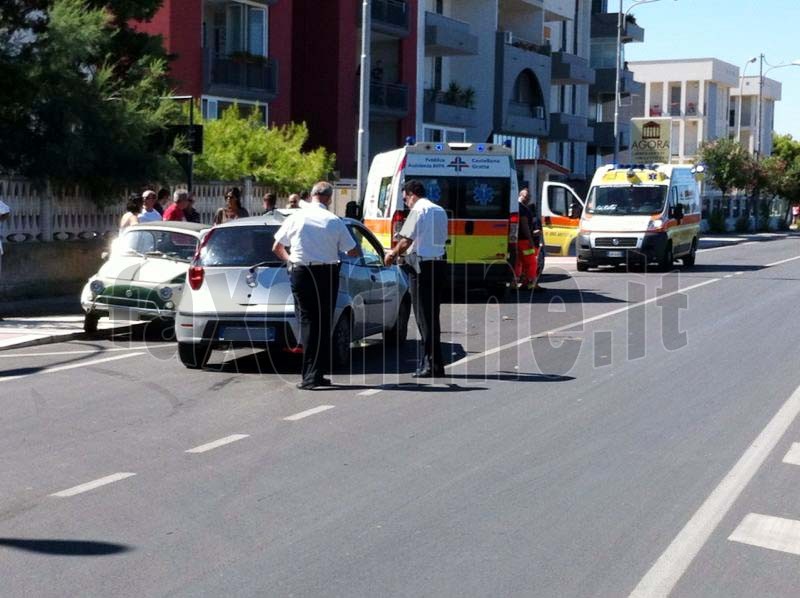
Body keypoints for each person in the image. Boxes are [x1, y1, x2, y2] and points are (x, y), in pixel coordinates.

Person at [272, 181, 359, 390]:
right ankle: (313, 374)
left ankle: (314, 373)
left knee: (308, 321)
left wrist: (291, 260)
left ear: (312, 196)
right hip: (326, 273)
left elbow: (277, 247)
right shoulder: (333, 220)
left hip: (301, 271)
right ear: (328, 199)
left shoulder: (297, 217)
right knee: (322, 322)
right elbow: (353, 250)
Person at [384, 180, 448, 378]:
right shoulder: (439, 210)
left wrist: (392, 254)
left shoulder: (418, 211)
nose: (406, 203)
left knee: (423, 318)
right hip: (438, 264)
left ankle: (430, 365)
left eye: (405, 199)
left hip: (421, 268)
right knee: (432, 316)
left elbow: (406, 240)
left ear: (412, 194)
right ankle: (436, 364)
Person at [515, 188, 542, 291]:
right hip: (524, 241)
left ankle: (522, 283)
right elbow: (525, 226)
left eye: (529, 197)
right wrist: (530, 240)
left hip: (518, 240)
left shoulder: (517, 207)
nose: (528, 199)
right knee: (531, 262)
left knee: (520, 262)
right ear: (520, 195)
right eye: (526, 196)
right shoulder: (523, 209)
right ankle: (532, 284)